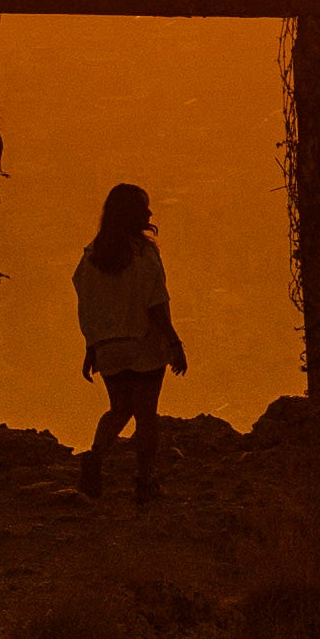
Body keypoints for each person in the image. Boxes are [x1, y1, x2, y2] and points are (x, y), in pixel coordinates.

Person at [74, 176, 187, 494]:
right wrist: (174, 342)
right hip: (144, 343)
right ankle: (145, 481)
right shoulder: (144, 254)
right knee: (146, 416)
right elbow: (156, 303)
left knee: (119, 409)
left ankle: (95, 456)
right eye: (144, 209)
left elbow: (88, 305)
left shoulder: (91, 257)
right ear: (133, 215)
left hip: (109, 347)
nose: (150, 214)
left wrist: (92, 346)